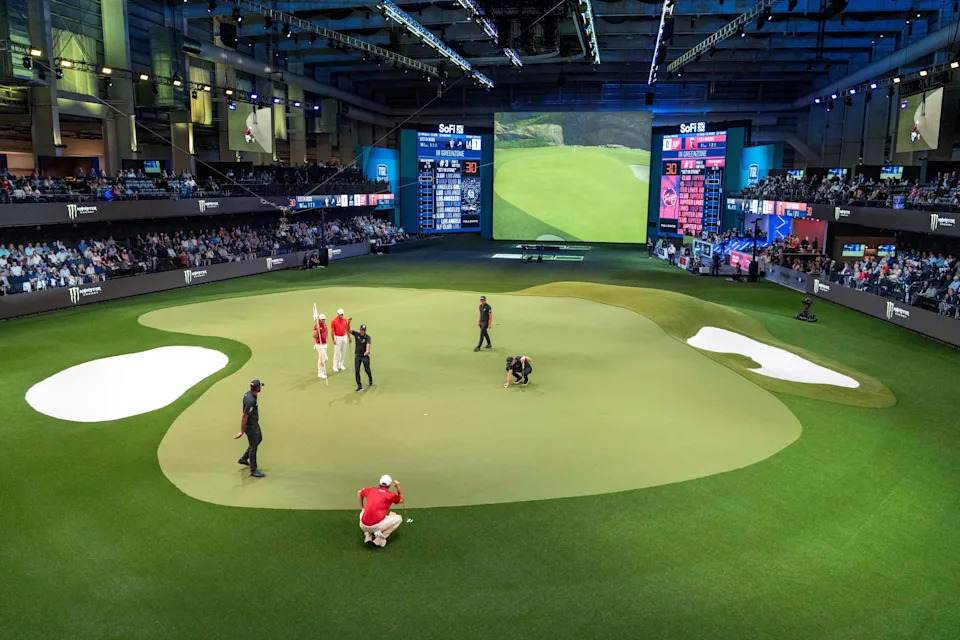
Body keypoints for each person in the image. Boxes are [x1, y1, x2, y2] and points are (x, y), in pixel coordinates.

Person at [358, 474, 404, 547]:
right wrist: (398, 488)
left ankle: (368, 536)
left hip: (362, 525)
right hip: (376, 526)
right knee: (399, 518)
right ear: (389, 486)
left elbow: (360, 492)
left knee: (364, 512)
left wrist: (362, 507)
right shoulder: (390, 495)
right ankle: (379, 539)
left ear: (379, 483)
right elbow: (401, 500)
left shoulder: (371, 490)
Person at [234, 379, 266, 478]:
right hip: (251, 426)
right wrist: (242, 431)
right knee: (253, 447)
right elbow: (244, 416)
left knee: (259, 439)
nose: (260, 388)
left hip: (254, 423)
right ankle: (253, 470)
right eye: (259, 386)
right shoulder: (251, 401)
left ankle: (244, 459)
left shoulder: (248, 394)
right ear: (257, 388)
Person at [351, 323, 373, 392]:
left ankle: (370, 378)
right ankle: (359, 386)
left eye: (363, 330)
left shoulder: (367, 337)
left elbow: (368, 344)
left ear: (365, 330)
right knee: (357, 371)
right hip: (357, 356)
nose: (362, 331)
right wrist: (348, 322)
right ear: (359, 330)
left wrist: (367, 351)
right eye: (361, 330)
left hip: (364, 356)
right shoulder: (356, 334)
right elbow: (348, 330)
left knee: (367, 369)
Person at [331, 308, 350, 373]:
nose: (341, 316)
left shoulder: (345, 320)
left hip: (344, 336)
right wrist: (333, 340)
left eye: (342, 314)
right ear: (337, 314)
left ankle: (341, 364)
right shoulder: (333, 321)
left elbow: (347, 329)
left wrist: (349, 337)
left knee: (343, 351)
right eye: (340, 314)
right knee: (337, 352)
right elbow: (332, 331)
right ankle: (335, 366)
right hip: (337, 337)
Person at [313, 313, 329, 379]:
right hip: (319, 345)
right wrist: (317, 330)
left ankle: (320, 372)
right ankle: (321, 372)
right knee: (324, 358)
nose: (323, 320)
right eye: (322, 319)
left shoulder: (324, 325)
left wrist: (327, 338)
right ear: (319, 319)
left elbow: (326, 331)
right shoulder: (316, 326)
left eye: (324, 319)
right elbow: (314, 336)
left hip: (324, 344)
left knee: (320, 359)